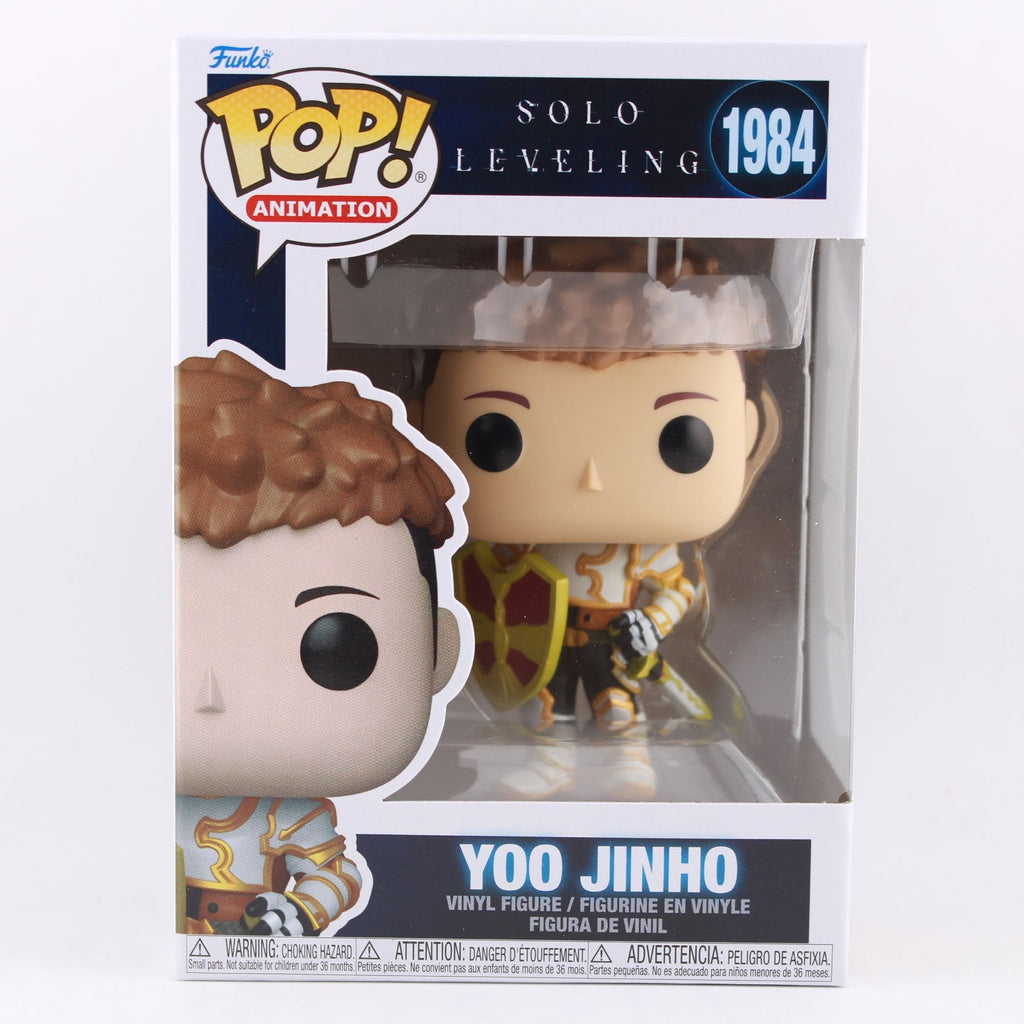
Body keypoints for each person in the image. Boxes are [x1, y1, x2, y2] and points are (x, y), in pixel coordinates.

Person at [175, 348, 463, 934]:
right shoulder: (113, 801)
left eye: (335, 646)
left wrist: (298, 912)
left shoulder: (289, 818)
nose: (209, 695)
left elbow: (338, 873)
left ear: (438, 655)